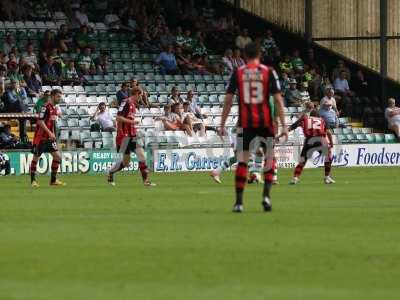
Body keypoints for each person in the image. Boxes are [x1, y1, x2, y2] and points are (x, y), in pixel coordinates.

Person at [218, 42, 287, 213]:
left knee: (242, 161)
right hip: (266, 123)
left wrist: (222, 124)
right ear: (259, 55)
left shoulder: (238, 72)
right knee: (269, 158)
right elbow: (278, 100)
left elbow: (228, 100)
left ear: (244, 56)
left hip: (246, 123)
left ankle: (239, 203)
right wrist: (284, 125)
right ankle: (266, 197)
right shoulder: (269, 72)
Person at [107, 87, 155, 187]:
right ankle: (111, 172)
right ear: (136, 93)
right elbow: (118, 117)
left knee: (141, 155)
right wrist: (133, 122)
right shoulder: (126, 102)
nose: (141, 97)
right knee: (125, 163)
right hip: (124, 136)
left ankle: (146, 181)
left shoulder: (133, 105)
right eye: (141, 95)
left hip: (133, 135)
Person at [279, 110, 335, 185]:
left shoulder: (305, 118)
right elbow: (328, 132)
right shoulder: (322, 120)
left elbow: (293, 126)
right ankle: (327, 177)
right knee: (328, 156)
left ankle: (295, 178)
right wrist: (331, 143)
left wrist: (284, 133)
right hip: (320, 140)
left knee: (303, 160)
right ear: (318, 116)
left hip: (309, 140)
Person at [30, 89, 65, 187]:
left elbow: (52, 123)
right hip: (40, 137)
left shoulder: (55, 109)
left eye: (60, 96)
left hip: (49, 138)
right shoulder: (45, 107)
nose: (60, 98)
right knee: (36, 158)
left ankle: (53, 181)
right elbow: (40, 122)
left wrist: (53, 134)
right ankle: (33, 181)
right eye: (58, 96)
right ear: (53, 96)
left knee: (58, 157)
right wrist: (50, 133)